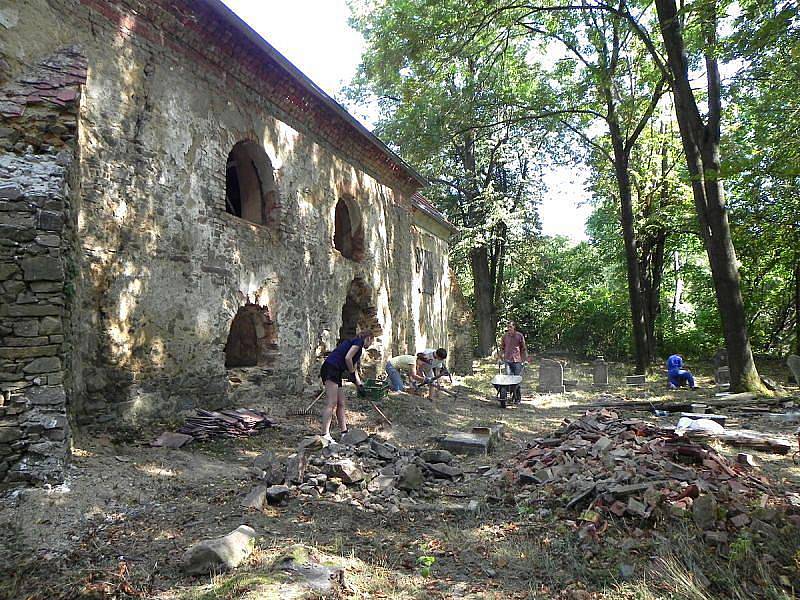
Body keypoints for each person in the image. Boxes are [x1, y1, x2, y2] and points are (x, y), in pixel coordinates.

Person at [319, 330, 373, 442]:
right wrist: (351, 373)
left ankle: (344, 433)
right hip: (330, 368)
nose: (370, 345)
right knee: (332, 403)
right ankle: (324, 434)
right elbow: (348, 358)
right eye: (371, 342)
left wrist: (359, 385)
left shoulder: (357, 347)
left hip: (336, 371)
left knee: (341, 403)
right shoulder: (358, 342)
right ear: (368, 338)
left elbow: (353, 366)